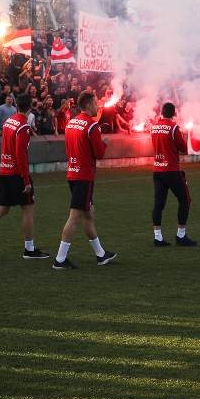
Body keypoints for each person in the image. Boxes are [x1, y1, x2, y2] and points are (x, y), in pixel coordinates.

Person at [0, 93, 49, 260]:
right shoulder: (23, 126)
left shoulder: (9, 122)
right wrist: (26, 180)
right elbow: (20, 155)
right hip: (16, 174)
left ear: (16, 105)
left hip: (4, 171)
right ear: (30, 107)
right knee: (28, 208)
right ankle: (29, 249)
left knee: (2, 208)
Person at [51, 90, 117, 270]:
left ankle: (101, 254)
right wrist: (105, 143)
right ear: (88, 105)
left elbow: (68, 149)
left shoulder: (71, 123)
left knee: (88, 214)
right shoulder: (92, 126)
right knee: (75, 217)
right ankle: (60, 258)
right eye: (96, 103)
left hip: (72, 173)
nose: (98, 106)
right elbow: (99, 154)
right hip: (84, 176)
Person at [150, 102, 196, 247]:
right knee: (185, 200)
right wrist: (186, 136)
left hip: (157, 169)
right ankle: (180, 235)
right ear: (174, 113)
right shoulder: (174, 127)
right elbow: (183, 148)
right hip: (171, 170)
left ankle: (158, 237)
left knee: (159, 204)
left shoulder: (154, 127)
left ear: (161, 112)